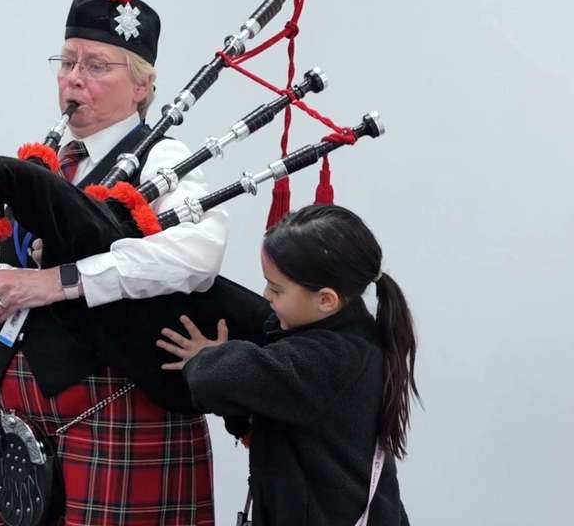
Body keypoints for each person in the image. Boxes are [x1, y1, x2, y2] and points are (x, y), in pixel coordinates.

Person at [0, 0, 225, 525]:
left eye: (97, 65)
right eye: (67, 62)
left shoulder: (165, 161)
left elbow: (196, 255)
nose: (74, 78)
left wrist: (60, 282)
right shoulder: (35, 167)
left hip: (119, 398)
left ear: (143, 85)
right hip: (18, 399)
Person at [158, 204, 417, 525]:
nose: (266, 294)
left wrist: (203, 356)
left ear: (326, 300)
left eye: (276, 288)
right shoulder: (355, 336)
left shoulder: (329, 359)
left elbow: (216, 380)